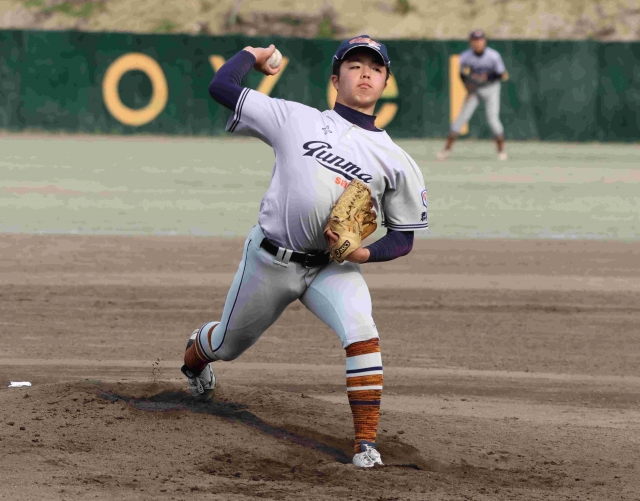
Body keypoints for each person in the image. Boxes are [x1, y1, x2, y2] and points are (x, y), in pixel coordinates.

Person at [180, 35, 428, 468]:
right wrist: (253, 55)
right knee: (227, 344)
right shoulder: (294, 119)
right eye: (355, 65)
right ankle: (196, 358)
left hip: (331, 267)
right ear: (335, 79)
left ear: (386, 82)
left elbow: (403, 237)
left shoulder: (396, 161)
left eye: (375, 68)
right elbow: (221, 88)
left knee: (362, 332)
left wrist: (363, 255)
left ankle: (366, 445)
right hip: (269, 260)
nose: (365, 73)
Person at [437, 29, 509, 161]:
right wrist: (469, 87)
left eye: (480, 40)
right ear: (470, 42)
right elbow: (462, 74)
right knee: (461, 119)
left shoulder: (493, 56)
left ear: (484, 41)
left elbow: (500, 74)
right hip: (475, 90)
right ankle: (446, 150)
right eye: (475, 40)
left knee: (493, 119)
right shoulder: (466, 56)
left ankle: (501, 151)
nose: (477, 43)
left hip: (491, 89)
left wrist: (486, 77)